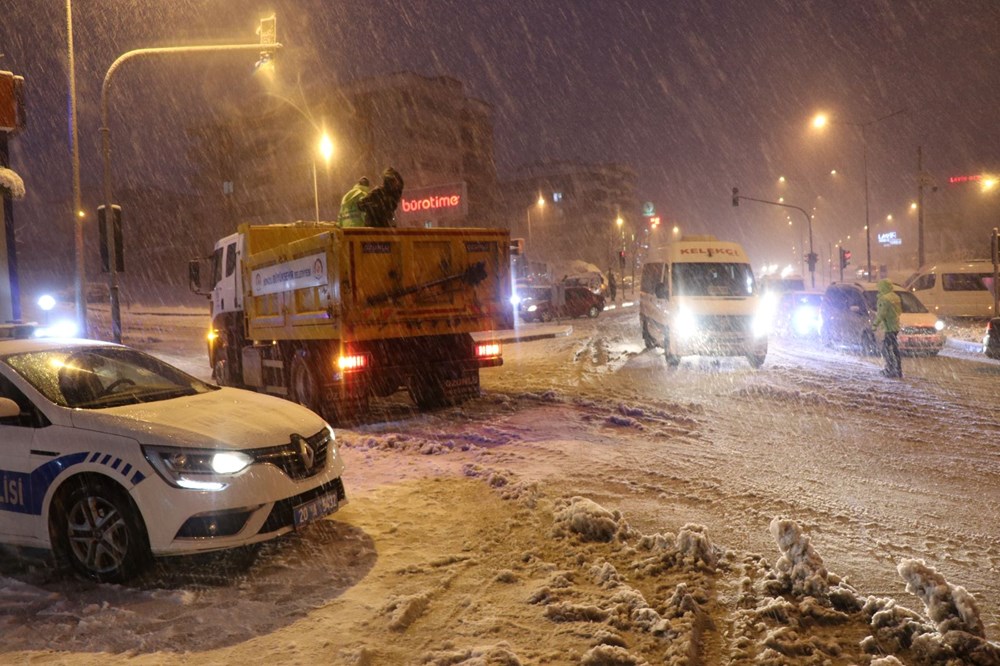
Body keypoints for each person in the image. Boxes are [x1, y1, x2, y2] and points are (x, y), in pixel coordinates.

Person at [872, 278, 902, 378]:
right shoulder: (895, 297)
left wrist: (875, 324)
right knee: (894, 348)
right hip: (895, 326)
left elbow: (881, 314)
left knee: (886, 349)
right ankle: (897, 369)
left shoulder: (884, 299)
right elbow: (899, 311)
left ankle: (890, 369)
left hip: (889, 327)